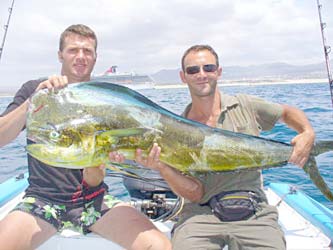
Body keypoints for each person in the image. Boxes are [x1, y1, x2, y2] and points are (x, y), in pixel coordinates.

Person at [109, 44, 316, 250]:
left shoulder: (245, 105)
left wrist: (307, 132)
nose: (202, 74)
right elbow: (194, 194)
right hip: (200, 215)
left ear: (218, 71)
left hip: (255, 212)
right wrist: (162, 166)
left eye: (208, 68)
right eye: (193, 70)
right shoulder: (174, 130)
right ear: (183, 76)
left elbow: (287, 113)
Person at [0, 24, 171, 250]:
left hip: (94, 199)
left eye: (87, 51)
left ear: (95, 57)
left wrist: (109, 159)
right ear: (60, 54)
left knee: (159, 246)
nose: (81, 56)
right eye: (73, 50)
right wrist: (33, 101)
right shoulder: (35, 89)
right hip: (42, 200)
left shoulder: (106, 99)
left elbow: (94, 178)